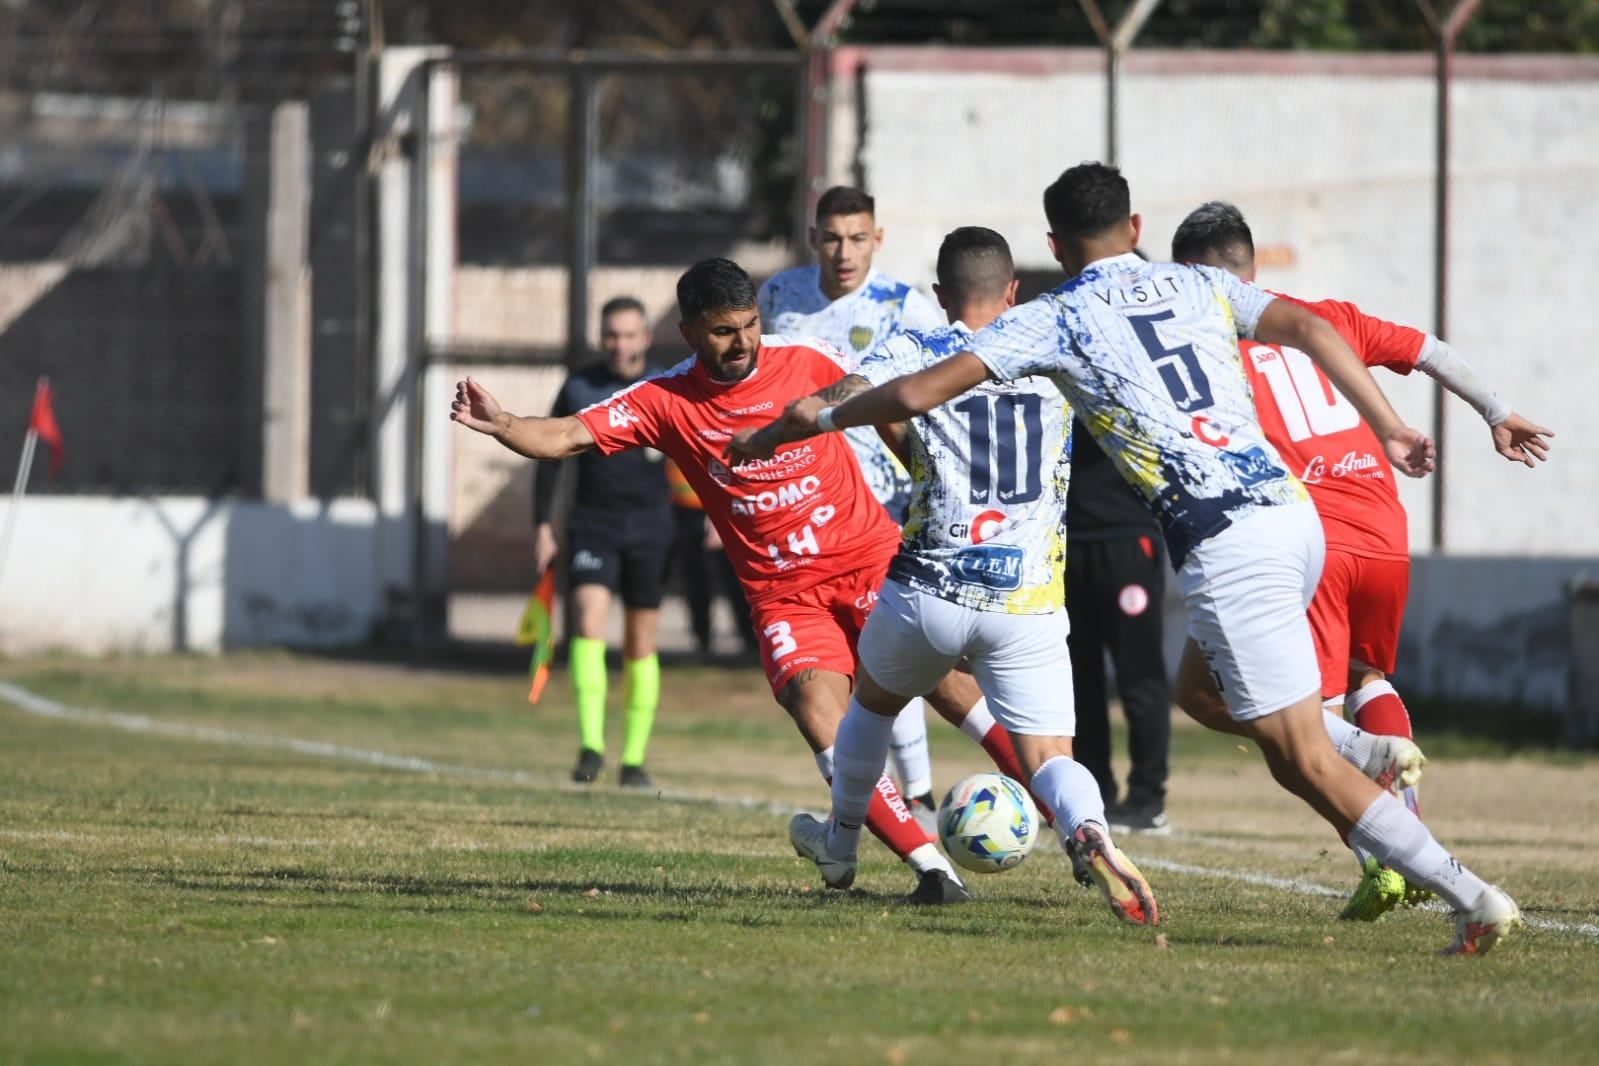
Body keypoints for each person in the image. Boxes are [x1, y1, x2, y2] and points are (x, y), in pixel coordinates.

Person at [750, 163, 1522, 956]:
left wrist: (795, 426)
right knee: (1197, 688)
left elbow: (912, 397)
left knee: (1300, 759)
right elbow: (1314, 327)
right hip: (1292, 516)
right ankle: (1363, 746)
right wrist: (1388, 427)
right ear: (1137, 228)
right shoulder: (1198, 284)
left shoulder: (1052, 318)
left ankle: (1470, 895)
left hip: (1222, 541)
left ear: (1054, 244)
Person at [453, 258, 1034, 904]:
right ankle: (933, 872)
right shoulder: (663, 400)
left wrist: (930, 496)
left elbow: (882, 409)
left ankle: (1073, 826)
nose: (742, 343)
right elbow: (567, 435)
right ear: (688, 331)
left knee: (951, 690)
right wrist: (504, 424)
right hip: (784, 597)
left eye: (749, 325)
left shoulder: (806, 359)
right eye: (722, 332)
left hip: (869, 562)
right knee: (821, 714)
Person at [735, 226, 1158, 924]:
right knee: (1051, 752)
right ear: (1013, 291)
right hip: (1026, 600)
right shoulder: (1052, 345)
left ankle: (839, 844)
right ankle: (1089, 833)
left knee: (870, 705)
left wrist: (777, 433)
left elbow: (840, 395)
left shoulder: (917, 347)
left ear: (938, 297)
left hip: (928, 588)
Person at [1170, 201, 1553, 918]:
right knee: (1355, 676)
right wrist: (1496, 412)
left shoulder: (1202, 341)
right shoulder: (1328, 317)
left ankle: (1386, 847)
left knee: (1283, 719)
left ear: (1188, 275)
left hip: (1297, 543)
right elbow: (1428, 349)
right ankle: (1391, 809)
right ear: (1248, 264)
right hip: (1382, 525)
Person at [759, 185, 951, 821]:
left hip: (890, 506)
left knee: (892, 651)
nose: (845, 252)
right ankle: (894, 800)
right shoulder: (780, 298)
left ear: (878, 240)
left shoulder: (906, 306)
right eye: (834, 238)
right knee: (865, 660)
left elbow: (942, 391)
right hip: (810, 507)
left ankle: (916, 793)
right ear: (814, 238)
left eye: (858, 238)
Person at [532, 296, 671, 789]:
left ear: (645, 338)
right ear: (601, 337)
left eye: (630, 334)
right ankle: (591, 747)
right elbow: (548, 450)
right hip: (593, 523)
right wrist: (544, 526)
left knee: (641, 640)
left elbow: (701, 448)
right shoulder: (579, 386)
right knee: (588, 623)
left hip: (652, 524)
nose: (620, 344)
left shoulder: (664, 385)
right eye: (612, 335)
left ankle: (633, 760)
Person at [1065, 419, 1173, 834]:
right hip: (1068, 541)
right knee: (1079, 681)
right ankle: (1096, 797)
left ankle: (1148, 801)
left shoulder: (1119, 370)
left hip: (1127, 539)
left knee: (1139, 674)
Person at [665, 457, 758, 658]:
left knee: (734, 576)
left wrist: (715, 512)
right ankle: (702, 638)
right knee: (695, 577)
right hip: (684, 510)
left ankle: (749, 639)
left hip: (719, 508)